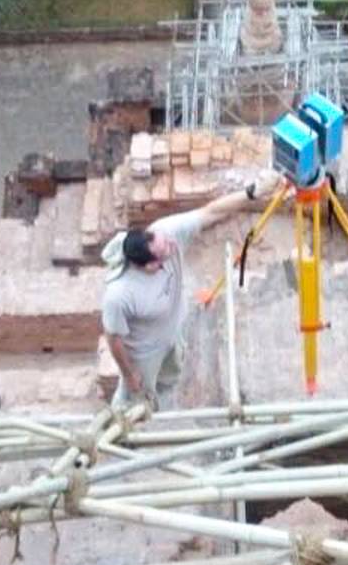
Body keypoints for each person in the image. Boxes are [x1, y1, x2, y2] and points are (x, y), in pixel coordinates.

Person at [99, 174, 272, 409]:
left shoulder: (164, 232)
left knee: (169, 379)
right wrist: (129, 375)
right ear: (150, 265)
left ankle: (165, 403)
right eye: (166, 249)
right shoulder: (120, 294)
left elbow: (211, 212)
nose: (172, 244)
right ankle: (128, 422)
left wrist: (252, 192)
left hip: (173, 334)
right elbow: (114, 337)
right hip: (144, 355)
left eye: (166, 242)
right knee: (134, 399)